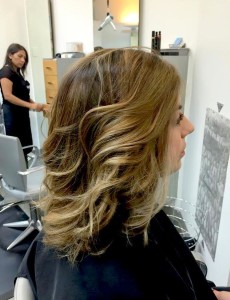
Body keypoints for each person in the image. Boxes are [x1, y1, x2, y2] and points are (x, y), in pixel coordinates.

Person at [16, 48, 218, 299]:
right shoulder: (102, 285)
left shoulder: (128, 212)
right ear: (127, 138)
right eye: (177, 118)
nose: (189, 127)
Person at [0, 43, 44, 161]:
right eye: (19, 56)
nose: (23, 60)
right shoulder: (6, 72)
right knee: (17, 147)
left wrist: (35, 105)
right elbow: (8, 96)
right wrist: (31, 105)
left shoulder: (17, 73)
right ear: (10, 55)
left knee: (24, 144)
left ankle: (24, 171)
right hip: (13, 115)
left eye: (24, 58)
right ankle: (19, 173)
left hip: (22, 114)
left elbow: (23, 95)